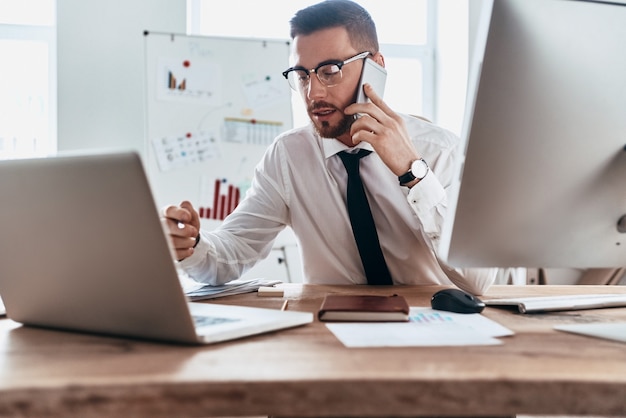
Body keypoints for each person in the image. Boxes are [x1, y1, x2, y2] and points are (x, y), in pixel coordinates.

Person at [162, 0, 496, 295]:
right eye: (302, 75)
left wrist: (414, 172)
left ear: (375, 66)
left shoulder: (439, 151)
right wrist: (192, 245)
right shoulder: (288, 157)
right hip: (328, 335)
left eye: (330, 71)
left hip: (431, 332)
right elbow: (232, 252)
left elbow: (477, 281)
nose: (313, 93)